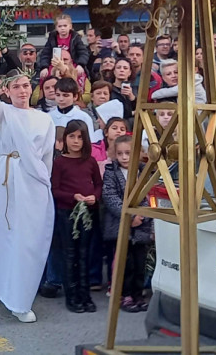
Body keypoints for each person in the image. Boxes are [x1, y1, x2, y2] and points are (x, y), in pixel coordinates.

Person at [0, 54, 55, 323]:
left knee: (27, 241)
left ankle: (19, 297)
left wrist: (45, 187)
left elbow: (46, 159)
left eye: (25, 85)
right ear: (6, 90)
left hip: (34, 184)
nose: (22, 90)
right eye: (16, 86)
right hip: (8, 178)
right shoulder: (3, 113)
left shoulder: (45, 120)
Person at [50, 120, 102, 314]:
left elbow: (98, 184)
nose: (75, 141)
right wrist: (73, 197)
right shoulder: (60, 162)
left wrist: (94, 197)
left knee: (84, 253)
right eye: (71, 136)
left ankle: (85, 295)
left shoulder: (90, 161)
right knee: (69, 253)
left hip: (87, 212)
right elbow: (55, 190)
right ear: (65, 139)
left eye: (80, 137)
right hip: (67, 213)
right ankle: (71, 296)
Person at [101, 135, 152, 312]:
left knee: (139, 263)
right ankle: (125, 295)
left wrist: (141, 215)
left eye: (128, 153)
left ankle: (138, 294)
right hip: (120, 225)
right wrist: (129, 216)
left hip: (141, 226)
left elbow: (148, 194)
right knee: (125, 263)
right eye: (120, 153)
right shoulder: (111, 172)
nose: (124, 157)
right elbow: (110, 197)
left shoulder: (144, 172)